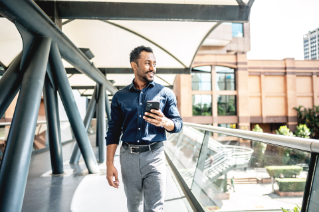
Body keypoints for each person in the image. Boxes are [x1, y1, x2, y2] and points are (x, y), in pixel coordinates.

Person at [106, 46, 183, 212]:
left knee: (155, 208)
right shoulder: (120, 97)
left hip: (155, 156)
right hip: (129, 157)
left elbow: (178, 124)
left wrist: (164, 122)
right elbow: (113, 131)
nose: (153, 68)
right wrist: (109, 164)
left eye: (154, 63)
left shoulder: (165, 93)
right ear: (134, 66)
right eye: (147, 63)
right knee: (133, 206)